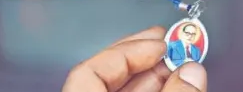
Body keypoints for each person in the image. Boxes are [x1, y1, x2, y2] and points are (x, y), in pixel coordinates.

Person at [61, 26, 207, 92]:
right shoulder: (173, 47)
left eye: (192, 34)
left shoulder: (194, 50)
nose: (189, 36)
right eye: (187, 33)